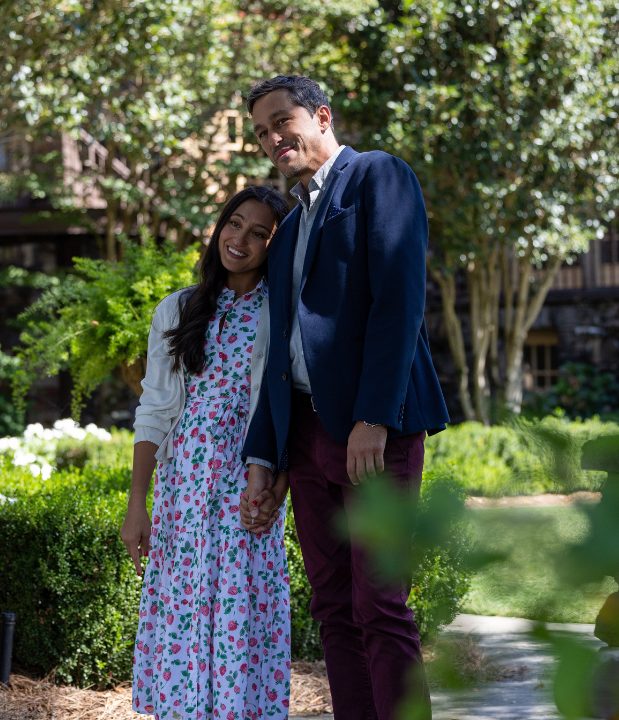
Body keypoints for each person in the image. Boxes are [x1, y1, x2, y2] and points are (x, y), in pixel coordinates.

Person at [239, 75, 451, 720]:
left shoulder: (378, 177)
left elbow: (399, 303)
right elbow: (278, 349)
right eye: (260, 132)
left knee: (380, 602)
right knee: (331, 605)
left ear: (321, 116)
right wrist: (269, 456)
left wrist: (372, 417)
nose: (273, 138)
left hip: (371, 428)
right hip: (303, 433)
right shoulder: (290, 215)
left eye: (283, 121)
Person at [121, 185, 294, 719]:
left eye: (259, 232)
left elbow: (293, 410)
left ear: (275, 244)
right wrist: (137, 505)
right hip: (182, 496)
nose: (240, 239)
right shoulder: (177, 309)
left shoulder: (284, 314)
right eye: (234, 223)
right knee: (184, 617)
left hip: (249, 488)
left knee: (244, 615)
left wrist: (276, 484)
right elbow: (155, 410)